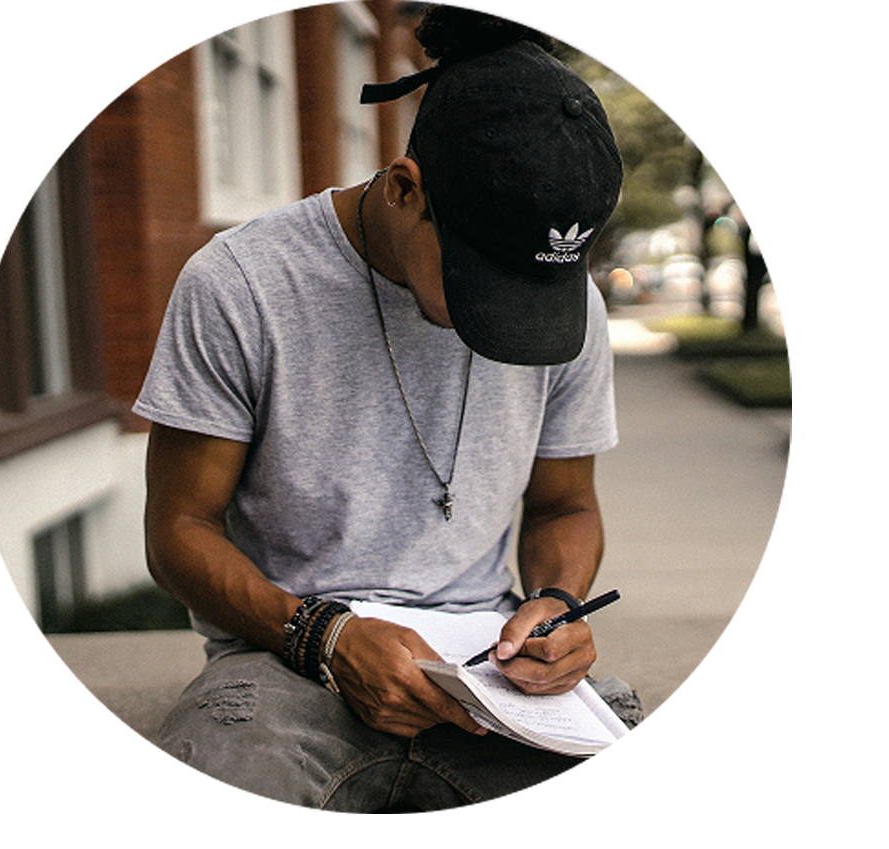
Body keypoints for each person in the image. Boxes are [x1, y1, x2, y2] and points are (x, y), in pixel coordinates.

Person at [133, 5, 640, 812]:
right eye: (483, 282)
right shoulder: (241, 282)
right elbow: (179, 529)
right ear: (406, 189)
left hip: (488, 667)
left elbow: (565, 503)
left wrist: (554, 604)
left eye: (533, 287)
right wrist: (325, 634)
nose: (507, 315)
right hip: (285, 655)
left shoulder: (571, 305)